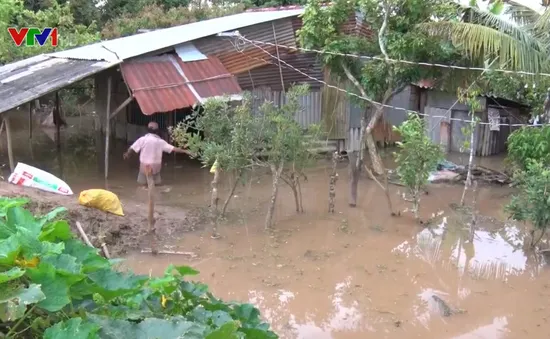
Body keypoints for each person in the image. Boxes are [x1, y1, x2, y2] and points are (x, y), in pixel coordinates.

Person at [123, 121, 191, 187]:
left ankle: (144, 195)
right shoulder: (160, 142)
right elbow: (173, 149)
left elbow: (132, 148)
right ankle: (156, 195)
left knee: (143, 185)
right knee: (156, 185)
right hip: (155, 167)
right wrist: (185, 151)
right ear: (157, 131)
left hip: (144, 166)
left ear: (147, 129)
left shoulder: (142, 139)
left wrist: (127, 154)